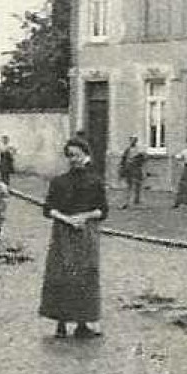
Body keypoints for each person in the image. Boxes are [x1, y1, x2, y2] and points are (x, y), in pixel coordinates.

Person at [40, 137, 108, 340]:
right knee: (61, 274)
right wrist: (66, 219)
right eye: (70, 155)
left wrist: (84, 217)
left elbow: (102, 210)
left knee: (85, 275)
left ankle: (82, 323)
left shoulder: (95, 181)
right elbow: (48, 208)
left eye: (77, 155)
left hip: (86, 234)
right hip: (63, 233)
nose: (74, 159)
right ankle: (60, 322)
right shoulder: (59, 181)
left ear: (86, 156)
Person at [118, 137, 147, 209]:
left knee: (138, 187)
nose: (132, 141)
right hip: (128, 171)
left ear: (136, 141)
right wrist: (121, 169)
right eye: (131, 140)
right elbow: (123, 160)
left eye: (134, 140)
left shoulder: (139, 151)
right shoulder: (127, 150)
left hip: (136, 171)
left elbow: (143, 160)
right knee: (128, 187)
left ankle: (137, 201)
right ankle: (125, 203)